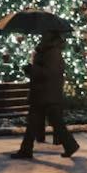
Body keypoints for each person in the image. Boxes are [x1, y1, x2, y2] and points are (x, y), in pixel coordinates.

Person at [10, 31, 80, 159]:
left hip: (47, 93)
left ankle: (70, 145)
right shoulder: (47, 50)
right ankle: (26, 150)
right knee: (35, 122)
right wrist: (32, 69)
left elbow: (49, 73)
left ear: (50, 36)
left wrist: (32, 69)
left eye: (44, 34)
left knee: (55, 122)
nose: (42, 36)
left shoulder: (52, 52)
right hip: (43, 92)